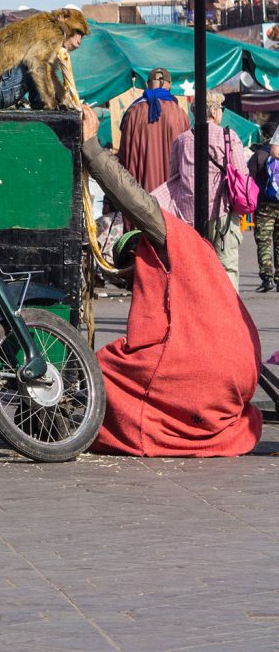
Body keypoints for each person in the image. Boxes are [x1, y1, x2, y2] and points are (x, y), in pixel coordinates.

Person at [82, 103, 262, 458]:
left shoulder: (170, 239)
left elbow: (138, 202)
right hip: (241, 373)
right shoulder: (198, 248)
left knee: (106, 367)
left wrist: (92, 148)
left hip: (210, 370)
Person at [151, 91, 249, 291]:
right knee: (226, 266)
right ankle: (227, 317)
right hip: (222, 212)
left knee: (193, 268)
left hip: (188, 215)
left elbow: (174, 175)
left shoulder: (182, 140)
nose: (221, 112)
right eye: (221, 108)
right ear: (213, 111)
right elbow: (242, 174)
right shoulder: (228, 136)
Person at [0, 7, 89, 109]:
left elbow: (50, 74)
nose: (79, 40)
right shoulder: (55, 31)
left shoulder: (41, 26)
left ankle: (39, 102)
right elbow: (36, 64)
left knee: (44, 67)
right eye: (77, 32)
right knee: (37, 63)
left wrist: (66, 100)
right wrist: (50, 101)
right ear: (63, 17)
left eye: (82, 36)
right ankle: (43, 101)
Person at [117, 67, 190, 194]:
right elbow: (188, 160)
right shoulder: (181, 115)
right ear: (169, 85)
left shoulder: (132, 113)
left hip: (139, 199)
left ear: (147, 85)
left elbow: (123, 159)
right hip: (171, 199)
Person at [248, 125, 279, 292]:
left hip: (264, 206)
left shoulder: (260, 154)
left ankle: (266, 278)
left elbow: (248, 179)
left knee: (264, 241)